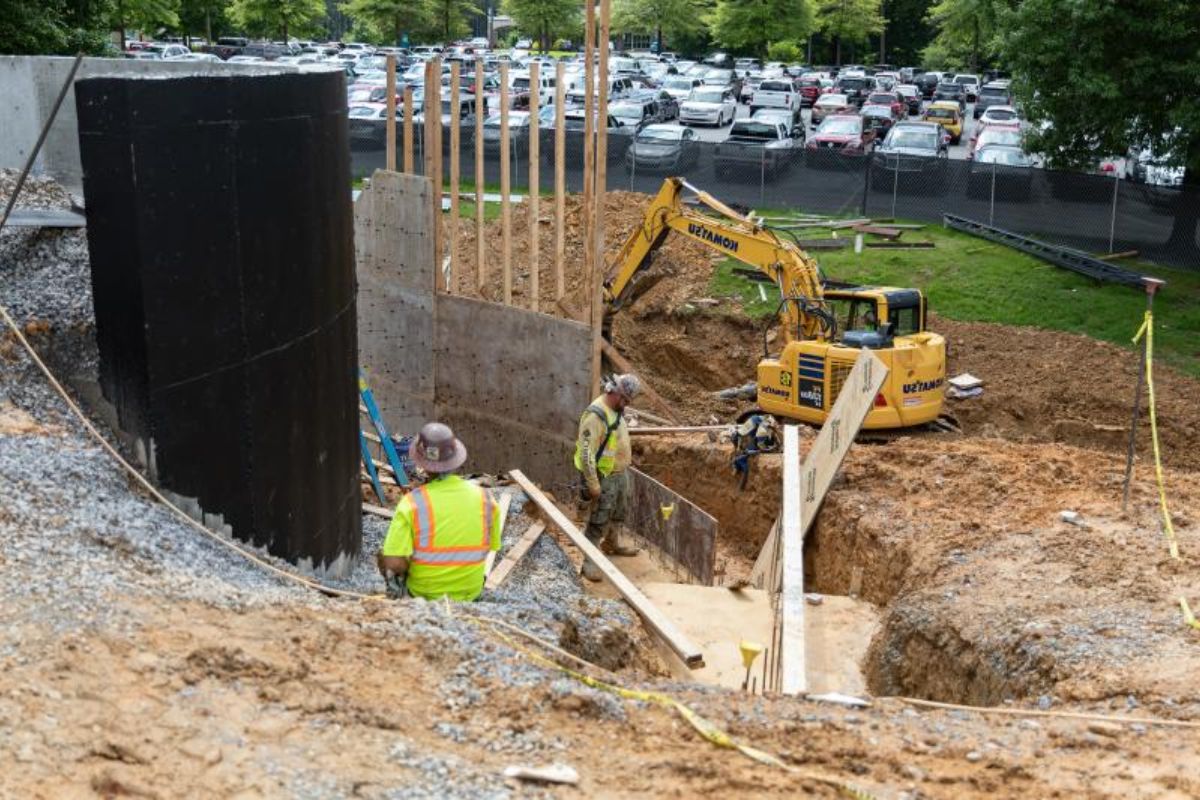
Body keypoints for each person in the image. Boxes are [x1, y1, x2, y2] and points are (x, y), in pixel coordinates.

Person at [377, 422, 502, 601]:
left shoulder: (412, 502)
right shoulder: (486, 498)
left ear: (422, 463)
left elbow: (394, 562)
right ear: (455, 459)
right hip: (471, 593)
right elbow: (491, 547)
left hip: (423, 595)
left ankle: (398, 598)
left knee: (385, 554)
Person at [573, 373, 642, 581]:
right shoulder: (595, 416)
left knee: (618, 511)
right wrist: (593, 483)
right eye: (626, 401)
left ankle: (611, 543)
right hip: (603, 475)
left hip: (619, 472)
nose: (627, 405)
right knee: (598, 520)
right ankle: (589, 562)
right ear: (616, 393)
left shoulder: (616, 409)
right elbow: (586, 454)